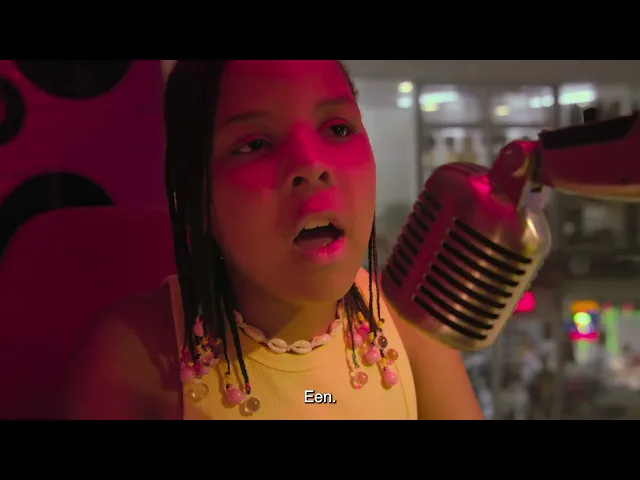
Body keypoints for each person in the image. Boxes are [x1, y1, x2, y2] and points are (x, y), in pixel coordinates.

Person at [64, 60, 483, 420]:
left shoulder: (413, 330)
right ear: (196, 195)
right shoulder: (133, 358)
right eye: (255, 144)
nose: (312, 165)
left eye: (338, 128)